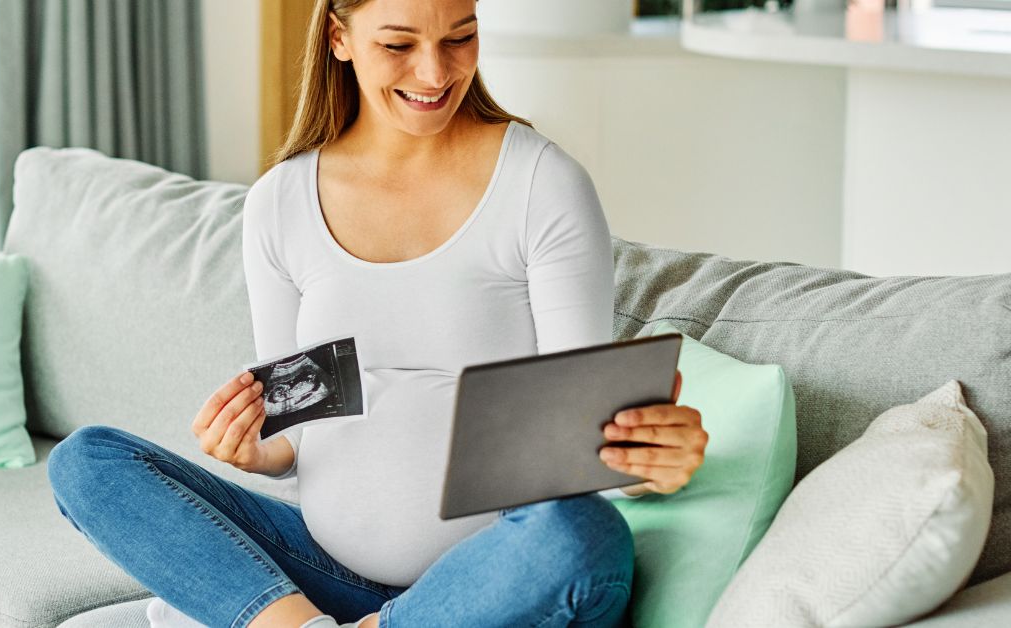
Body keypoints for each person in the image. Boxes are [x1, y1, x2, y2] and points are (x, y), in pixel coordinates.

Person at [46, 0, 709, 626]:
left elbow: (581, 446)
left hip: (501, 574)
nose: (435, 72)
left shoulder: (540, 184)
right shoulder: (281, 203)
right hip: (325, 572)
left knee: (583, 535)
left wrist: (648, 469)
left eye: (460, 36)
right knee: (88, 463)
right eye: (399, 43)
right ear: (339, 38)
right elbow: (296, 437)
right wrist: (255, 448)